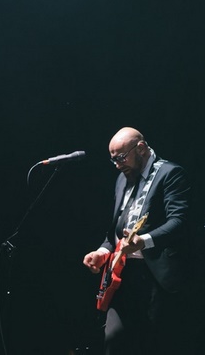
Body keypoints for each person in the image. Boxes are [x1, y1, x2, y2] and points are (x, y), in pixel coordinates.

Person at [82, 127, 196, 355]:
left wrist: (143, 241)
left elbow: (180, 221)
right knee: (114, 343)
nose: (117, 165)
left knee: (152, 345)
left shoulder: (170, 173)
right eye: (113, 159)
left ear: (141, 148)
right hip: (122, 275)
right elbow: (117, 229)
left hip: (155, 276)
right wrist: (102, 252)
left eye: (121, 158)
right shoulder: (123, 178)